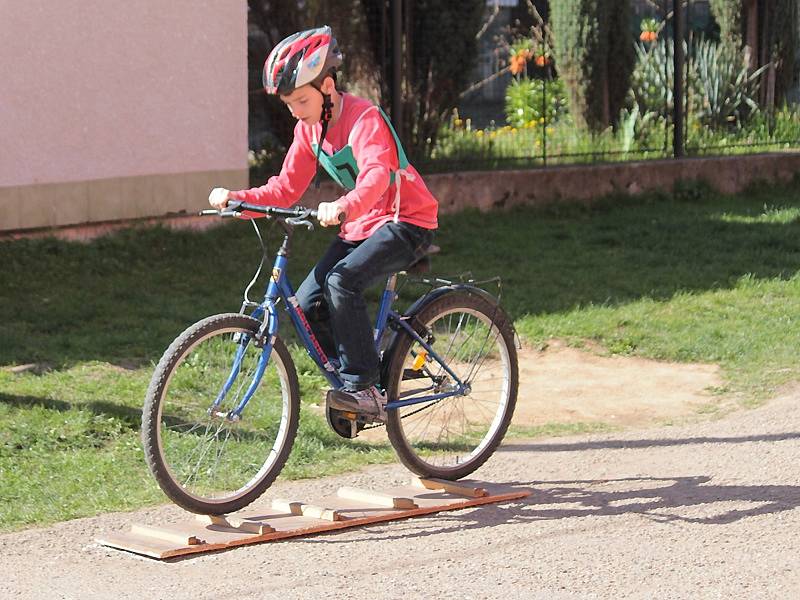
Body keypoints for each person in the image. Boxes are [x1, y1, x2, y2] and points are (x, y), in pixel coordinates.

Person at [208, 26, 438, 421]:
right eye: (289, 104)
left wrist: (345, 205)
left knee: (341, 281)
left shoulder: (363, 118)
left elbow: (376, 176)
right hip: (361, 224)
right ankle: (363, 375)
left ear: (327, 87)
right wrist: (238, 199)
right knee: (309, 304)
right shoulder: (308, 130)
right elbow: (284, 190)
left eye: (301, 100)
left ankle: (362, 387)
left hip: (406, 220)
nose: (296, 111)